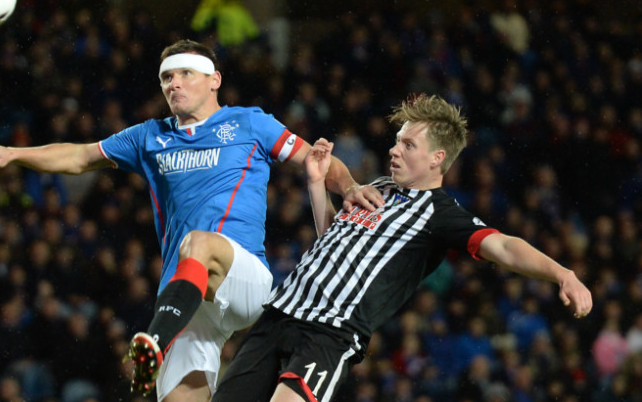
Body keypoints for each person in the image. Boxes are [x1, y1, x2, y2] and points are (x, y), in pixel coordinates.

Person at [0, 39, 383, 402]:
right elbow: (78, 156)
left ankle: (154, 342)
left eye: (185, 74)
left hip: (244, 278)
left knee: (198, 243)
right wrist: (16, 154)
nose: (173, 84)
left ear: (214, 79)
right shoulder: (150, 136)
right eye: (166, 78)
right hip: (185, 298)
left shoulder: (249, 123)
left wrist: (348, 187)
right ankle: (161, 345)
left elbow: (318, 160)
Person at [211, 94, 593, 402]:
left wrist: (563, 273)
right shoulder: (378, 187)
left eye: (408, 144)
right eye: (397, 141)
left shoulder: (440, 214)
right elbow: (333, 243)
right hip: (280, 313)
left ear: (436, 158)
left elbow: (506, 248)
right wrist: (315, 186)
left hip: (329, 333)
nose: (394, 150)